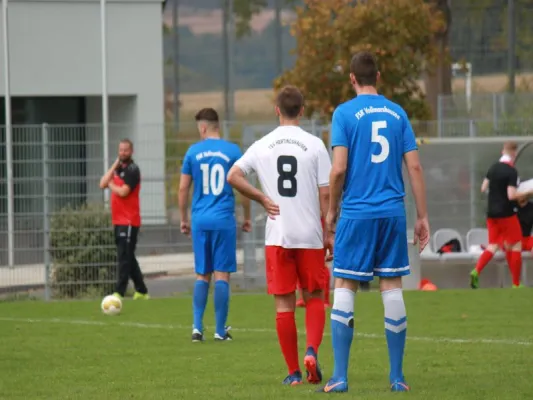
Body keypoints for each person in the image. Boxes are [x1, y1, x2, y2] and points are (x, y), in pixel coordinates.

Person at [318, 51, 429, 394]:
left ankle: (340, 377)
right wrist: (422, 216)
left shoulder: (344, 113)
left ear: (352, 78)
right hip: (392, 212)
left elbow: (338, 169)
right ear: (377, 77)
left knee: (345, 287)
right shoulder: (398, 113)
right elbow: (414, 167)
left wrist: (332, 211)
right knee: (392, 287)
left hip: (357, 212)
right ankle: (397, 377)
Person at [227, 85, 332, 386]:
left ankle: (293, 373)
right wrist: (329, 233)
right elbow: (325, 196)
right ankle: (311, 351)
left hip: (278, 235)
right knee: (314, 297)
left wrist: (261, 198)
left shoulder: (262, 145)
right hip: (310, 234)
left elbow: (233, 175)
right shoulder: (315, 145)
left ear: (277, 110)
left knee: (284, 305)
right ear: (302, 110)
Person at [179, 108, 251, 342]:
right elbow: (242, 187)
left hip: (200, 219)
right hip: (223, 220)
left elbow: (183, 188)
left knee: (202, 274)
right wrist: (247, 215)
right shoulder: (232, 151)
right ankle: (220, 331)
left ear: (202, 127)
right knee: (222, 275)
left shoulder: (192, 152)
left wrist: (183, 218)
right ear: (217, 125)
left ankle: (197, 328)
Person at [99, 139, 149, 300]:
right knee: (128, 256)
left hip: (129, 220)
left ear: (131, 151)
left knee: (124, 257)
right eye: (120, 150)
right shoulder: (118, 168)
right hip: (117, 219)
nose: (122, 153)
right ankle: (141, 290)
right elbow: (102, 183)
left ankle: (119, 292)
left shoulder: (133, 170)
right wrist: (114, 166)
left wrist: (111, 185)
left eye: (126, 150)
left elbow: (123, 192)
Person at [470, 142, 523, 289]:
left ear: (502, 151)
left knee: (493, 245)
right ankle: (516, 284)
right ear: (514, 153)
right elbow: (511, 195)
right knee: (516, 244)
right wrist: (526, 192)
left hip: (491, 213)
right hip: (507, 213)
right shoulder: (511, 171)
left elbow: (483, 188)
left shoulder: (493, 167)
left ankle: (476, 270)